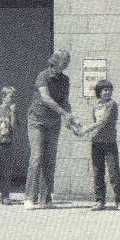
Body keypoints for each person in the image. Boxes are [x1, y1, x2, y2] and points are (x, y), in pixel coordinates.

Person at [24, 50, 79, 210]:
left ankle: (46, 198)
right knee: (37, 157)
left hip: (53, 122)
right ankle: (29, 197)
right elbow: (46, 98)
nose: (66, 64)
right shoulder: (43, 76)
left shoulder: (65, 80)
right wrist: (64, 113)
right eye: (64, 61)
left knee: (50, 159)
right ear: (55, 61)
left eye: (67, 61)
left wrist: (69, 120)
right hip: (37, 120)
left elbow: (64, 101)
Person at [75, 79, 120, 211]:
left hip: (110, 143)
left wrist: (85, 130)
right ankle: (99, 200)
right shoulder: (95, 106)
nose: (108, 92)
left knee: (114, 172)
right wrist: (79, 128)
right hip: (96, 143)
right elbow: (94, 125)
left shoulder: (112, 104)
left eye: (109, 90)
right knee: (98, 172)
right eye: (105, 90)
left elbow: (103, 121)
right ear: (99, 91)